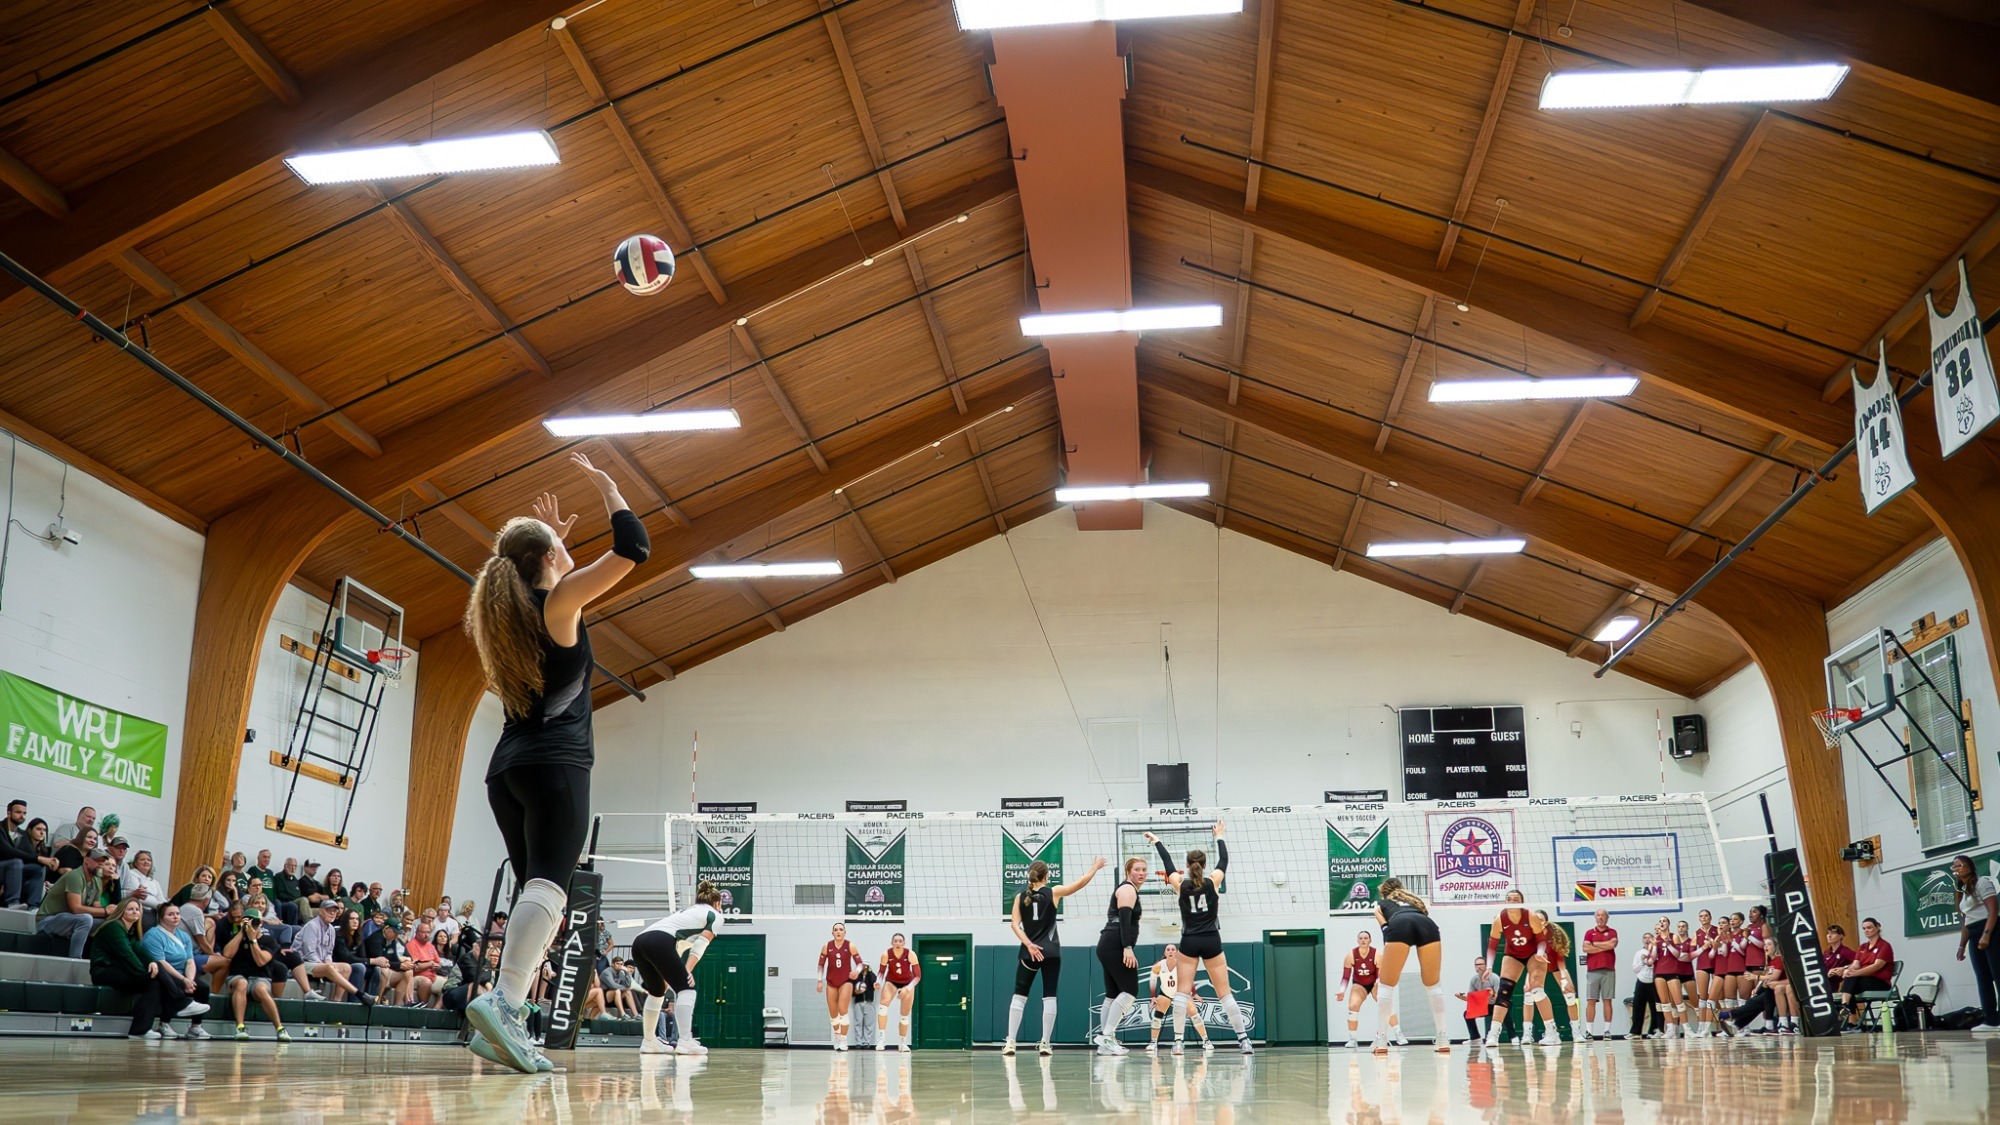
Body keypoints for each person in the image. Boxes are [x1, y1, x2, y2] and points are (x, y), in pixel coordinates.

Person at [462, 452, 647, 1074]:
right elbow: (633, 548)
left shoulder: (511, 617)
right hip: (556, 767)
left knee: (541, 897)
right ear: (546, 564)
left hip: (506, 771)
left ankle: (499, 1029)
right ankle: (506, 1003)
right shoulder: (559, 605)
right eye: (558, 556)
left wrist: (552, 551)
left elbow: (548, 578)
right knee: (549, 888)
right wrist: (609, 486)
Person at [1149, 822, 1255, 1055]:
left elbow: (1168, 866)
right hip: (1211, 941)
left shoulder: (1181, 884)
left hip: (1189, 940)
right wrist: (1220, 836)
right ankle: (1244, 1040)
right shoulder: (1213, 881)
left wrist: (1157, 842)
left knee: (1181, 992)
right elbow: (1223, 861)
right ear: (1204, 865)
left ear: (1186, 867)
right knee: (1224, 993)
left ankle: (1178, 1043)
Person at [1003, 855, 1105, 1056]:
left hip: (1029, 951)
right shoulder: (1054, 892)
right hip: (1050, 951)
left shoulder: (1019, 896)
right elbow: (1080, 883)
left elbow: (1014, 924)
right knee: (1049, 995)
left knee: (1019, 996)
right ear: (1046, 877)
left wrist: (1029, 944)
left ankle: (1011, 1043)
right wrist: (1095, 868)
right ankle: (1045, 1043)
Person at [91, 897, 210, 1039]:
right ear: (121, 911)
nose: (135, 911)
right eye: (130, 909)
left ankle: (139, 1031)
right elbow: (126, 955)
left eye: (137, 909)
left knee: (154, 982)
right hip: (104, 971)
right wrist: (144, 973)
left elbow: (140, 952)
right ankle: (179, 1003)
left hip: (120, 969)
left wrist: (152, 963)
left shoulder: (131, 930)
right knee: (151, 979)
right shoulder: (114, 927)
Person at [628, 880, 721, 1058]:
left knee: (657, 991)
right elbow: (700, 945)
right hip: (659, 942)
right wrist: (687, 971)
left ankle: (649, 1042)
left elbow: (674, 947)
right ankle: (686, 1041)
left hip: (640, 942)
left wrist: (672, 972)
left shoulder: (686, 913)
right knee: (687, 989)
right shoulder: (715, 915)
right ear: (717, 903)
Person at [1371, 877, 1449, 1053]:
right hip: (1426, 925)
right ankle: (1442, 1037)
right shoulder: (1416, 901)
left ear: (1384, 892)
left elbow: (1384, 926)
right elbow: (1423, 916)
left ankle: (1381, 1040)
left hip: (1399, 924)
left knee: (1386, 985)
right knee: (1433, 985)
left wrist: (1390, 938)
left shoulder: (1381, 904)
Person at [1094, 854, 1149, 1055]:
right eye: (1137, 869)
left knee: (1112, 995)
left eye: (1144, 869)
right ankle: (1107, 1036)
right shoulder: (1127, 889)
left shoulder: (1129, 889)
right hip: (1115, 944)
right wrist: (1127, 947)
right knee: (1130, 991)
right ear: (1128, 872)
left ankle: (1105, 1044)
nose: (1141, 873)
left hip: (1109, 944)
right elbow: (1125, 920)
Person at [142, 902, 213, 1039]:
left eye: (177, 914)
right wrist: (183, 980)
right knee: (174, 985)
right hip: (163, 974)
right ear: (162, 918)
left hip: (183, 974)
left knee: (203, 988)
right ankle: (164, 1024)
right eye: (171, 914)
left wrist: (190, 980)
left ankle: (195, 1027)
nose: (175, 917)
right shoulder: (153, 935)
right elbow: (161, 962)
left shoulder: (184, 936)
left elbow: (190, 961)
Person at [1482, 891, 1544, 1046]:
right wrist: (1489, 966)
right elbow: (1492, 945)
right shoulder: (1499, 919)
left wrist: (1540, 953)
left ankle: (1550, 1031)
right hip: (1513, 955)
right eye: (1509, 899)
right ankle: (1493, 1034)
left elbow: (1541, 939)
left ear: (1522, 902)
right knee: (1504, 992)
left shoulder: (1531, 916)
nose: (1512, 901)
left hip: (1532, 954)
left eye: (1515, 899)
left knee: (1535, 989)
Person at [221, 910, 289, 1041]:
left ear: (261, 923)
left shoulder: (269, 941)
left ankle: (279, 1028)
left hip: (260, 977)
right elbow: (227, 954)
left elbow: (261, 960)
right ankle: (240, 1027)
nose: (252, 926)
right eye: (248, 922)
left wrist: (253, 940)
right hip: (238, 976)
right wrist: (242, 932)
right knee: (242, 984)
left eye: (255, 923)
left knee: (261, 989)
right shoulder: (237, 938)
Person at [37, 849, 115, 957]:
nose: (101, 864)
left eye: (103, 861)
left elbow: (97, 908)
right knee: (85, 919)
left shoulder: (97, 881)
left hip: (70, 920)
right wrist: (105, 911)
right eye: (97, 860)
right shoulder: (75, 876)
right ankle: (75, 960)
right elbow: (76, 908)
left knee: (110, 923)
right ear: (86, 860)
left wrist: (113, 913)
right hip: (48, 920)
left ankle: (102, 961)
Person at [1952, 855, 2000, 1026]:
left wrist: (1987, 934)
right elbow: (1967, 921)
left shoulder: (1982, 883)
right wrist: (1961, 945)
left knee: (1997, 975)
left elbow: (1993, 910)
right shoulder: (1963, 891)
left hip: (1990, 930)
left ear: (1969, 866)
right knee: (1983, 977)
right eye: (1954, 866)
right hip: (1973, 934)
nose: (1956, 869)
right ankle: (1991, 1020)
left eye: (1959, 865)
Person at [296, 898, 366, 1003]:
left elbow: (329, 953)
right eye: (329, 910)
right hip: (303, 963)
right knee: (328, 967)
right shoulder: (312, 926)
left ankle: (336, 1001)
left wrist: (329, 963)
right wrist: (326, 965)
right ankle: (359, 994)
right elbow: (309, 954)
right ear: (321, 911)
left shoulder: (331, 929)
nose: (332, 913)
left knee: (346, 968)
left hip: (320, 964)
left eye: (334, 911)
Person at [1146, 944, 1211, 1054]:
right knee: (1157, 1017)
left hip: (1181, 992)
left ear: (1176, 952)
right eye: (1168, 949)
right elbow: (1153, 981)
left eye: (1173, 949)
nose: (1170, 951)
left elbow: (1189, 979)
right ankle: (1153, 1042)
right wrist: (1153, 996)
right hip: (1166, 993)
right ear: (1165, 953)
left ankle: (1206, 1040)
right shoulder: (1158, 966)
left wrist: (1194, 994)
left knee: (1194, 1015)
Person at [1832, 918, 1896, 1029]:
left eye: (1869, 927)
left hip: (1880, 982)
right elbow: (1855, 964)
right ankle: (1847, 1011)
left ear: (1878, 927)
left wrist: (1855, 973)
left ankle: (1848, 1014)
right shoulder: (1862, 947)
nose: (1867, 930)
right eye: (1864, 928)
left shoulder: (1884, 946)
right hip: (1862, 980)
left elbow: (1877, 966)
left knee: (1850, 982)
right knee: (1850, 980)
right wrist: (1847, 970)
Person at [1527, 911, 1578, 1044]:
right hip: (1538, 967)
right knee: (1533, 993)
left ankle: (1576, 1033)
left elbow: (1559, 957)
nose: (1538, 922)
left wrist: (1564, 976)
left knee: (1570, 995)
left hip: (1555, 965)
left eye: (1541, 919)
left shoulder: (1553, 934)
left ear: (1545, 921)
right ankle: (1549, 1032)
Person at [817, 921, 863, 1051]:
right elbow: (820, 965)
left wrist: (857, 971)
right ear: (832, 933)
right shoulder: (827, 946)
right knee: (833, 1012)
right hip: (831, 982)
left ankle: (843, 1039)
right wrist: (819, 981)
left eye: (841, 929)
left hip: (846, 981)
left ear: (844, 932)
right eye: (836, 929)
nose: (838, 931)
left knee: (843, 1009)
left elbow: (860, 963)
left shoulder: (850, 945)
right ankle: (837, 1035)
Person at [876, 933, 922, 1052]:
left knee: (904, 1015)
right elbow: (881, 972)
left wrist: (907, 988)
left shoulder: (910, 954)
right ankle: (881, 1039)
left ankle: (902, 1043)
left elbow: (918, 976)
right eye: (895, 941)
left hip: (908, 983)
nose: (897, 943)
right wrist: (878, 982)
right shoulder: (886, 954)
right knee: (882, 1006)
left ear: (904, 943)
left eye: (900, 941)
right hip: (891, 982)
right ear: (892, 943)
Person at [1, 800, 50, 909]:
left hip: (14, 869)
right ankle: (12, 902)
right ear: (9, 813)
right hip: (2, 867)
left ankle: (33, 905)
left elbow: (28, 855)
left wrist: (46, 861)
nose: (22, 816)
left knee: (38, 868)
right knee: (16, 862)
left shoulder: (22, 834)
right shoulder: (1, 828)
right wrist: (39, 858)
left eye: (24, 813)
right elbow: (7, 851)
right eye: (18, 812)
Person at [1580, 909, 1618, 1040]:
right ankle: (1589, 1031)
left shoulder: (1612, 932)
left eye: (1603, 915)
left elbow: (1612, 944)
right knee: (1591, 1000)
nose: (1600, 918)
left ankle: (1607, 1031)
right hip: (1592, 971)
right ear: (1595, 918)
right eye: (1598, 915)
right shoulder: (1589, 932)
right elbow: (1585, 948)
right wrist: (1604, 946)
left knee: (1607, 1000)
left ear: (1607, 918)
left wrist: (1595, 945)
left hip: (1608, 970)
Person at [1340, 930, 1380, 1049]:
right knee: (1353, 1007)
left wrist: (1377, 983)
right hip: (1359, 983)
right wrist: (1341, 990)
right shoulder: (1351, 955)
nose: (1363, 940)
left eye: (1365, 938)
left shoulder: (1377, 953)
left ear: (1370, 940)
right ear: (1358, 940)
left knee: (1384, 1003)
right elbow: (1345, 976)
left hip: (1374, 983)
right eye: (1361, 938)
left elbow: (1380, 974)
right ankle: (1352, 1039)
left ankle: (1396, 1033)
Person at [1652, 918, 1689, 1040]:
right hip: (1659, 972)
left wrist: (1668, 944)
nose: (1662, 923)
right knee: (1665, 1003)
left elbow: (1677, 954)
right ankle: (1670, 1029)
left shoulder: (1674, 937)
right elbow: (1653, 959)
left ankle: (1687, 1029)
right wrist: (1652, 947)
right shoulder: (1656, 939)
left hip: (1672, 972)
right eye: (1660, 921)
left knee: (1679, 1002)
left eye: (1664, 921)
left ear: (1668, 924)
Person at [368, 917, 416, 1006]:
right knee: (383, 969)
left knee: (407, 972)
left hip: (387, 968)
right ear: (386, 929)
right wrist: (399, 966)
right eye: (395, 933)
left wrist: (404, 965)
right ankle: (376, 1002)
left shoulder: (392, 940)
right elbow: (380, 961)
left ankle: (397, 1005)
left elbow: (394, 958)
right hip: (371, 968)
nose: (397, 936)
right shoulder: (376, 939)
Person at [1457, 956, 1501, 1044]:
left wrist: (1491, 994)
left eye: (1481, 964)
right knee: (1467, 1013)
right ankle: (1475, 1038)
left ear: (1486, 965)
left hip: (1495, 1005)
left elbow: (1498, 997)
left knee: (1503, 1011)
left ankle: (1512, 1036)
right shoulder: (1474, 980)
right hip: (1482, 1005)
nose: (1478, 967)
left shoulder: (1494, 978)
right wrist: (1462, 997)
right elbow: (1472, 998)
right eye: (1476, 965)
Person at [1628, 932, 1660, 1039]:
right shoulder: (1639, 953)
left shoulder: (1657, 951)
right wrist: (1643, 961)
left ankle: (1653, 1030)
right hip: (1641, 981)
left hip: (1653, 982)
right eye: (1645, 937)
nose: (1647, 939)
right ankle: (1635, 1032)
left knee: (1654, 1007)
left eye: (1649, 937)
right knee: (1637, 1007)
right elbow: (1635, 969)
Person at [407, 920, 446, 1007]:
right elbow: (415, 967)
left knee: (449, 984)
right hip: (416, 976)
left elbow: (438, 963)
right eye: (423, 932)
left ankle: (436, 1009)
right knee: (426, 982)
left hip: (433, 976)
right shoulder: (412, 945)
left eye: (428, 932)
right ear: (417, 933)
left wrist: (437, 966)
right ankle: (424, 1007)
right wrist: (430, 964)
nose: (426, 935)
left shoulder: (430, 945)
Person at [850, 962, 878, 1048]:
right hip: (859, 1001)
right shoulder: (857, 977)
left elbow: (875, 982)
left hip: (869, 1002)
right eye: (863, 966)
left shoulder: (871, 976)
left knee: (868, 1023)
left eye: (866, 966)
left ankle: (867, 1042)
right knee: (858, 1022)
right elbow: (852, 989)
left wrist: (869, 972)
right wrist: (855, 992)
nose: (864, 967)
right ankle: (858, 1042)